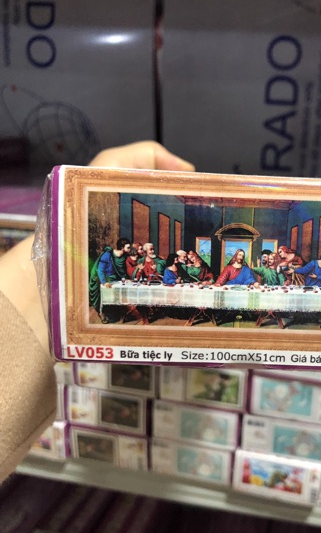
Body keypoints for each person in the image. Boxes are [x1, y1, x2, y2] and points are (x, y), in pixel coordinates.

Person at [0, 140, 194, 482]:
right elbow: (110, 275)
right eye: (135, 248)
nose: (139, 251)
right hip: (106, 289)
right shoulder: (110, 258)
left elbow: (153, 271)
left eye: (144, 249)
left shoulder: (143, 259)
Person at [89, 237, 131, 323]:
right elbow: (100, 270)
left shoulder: (124, 256)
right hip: (103, 277)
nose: (130, 249)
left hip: (114, 278)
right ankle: (102, 314)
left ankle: (118, 314)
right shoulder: (108, 255)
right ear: (122, 248)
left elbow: (121, 271)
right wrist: (104, 282)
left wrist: (125, 278)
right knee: (106, 293)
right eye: (128, 247)